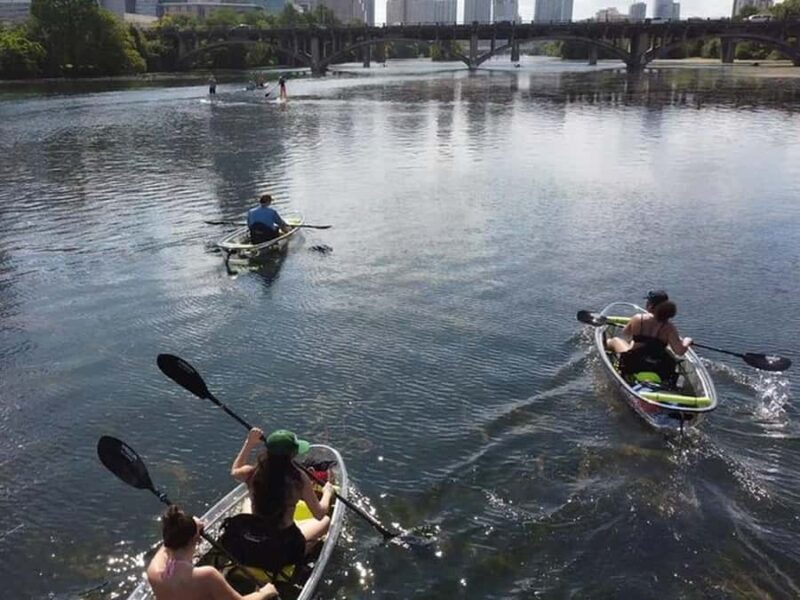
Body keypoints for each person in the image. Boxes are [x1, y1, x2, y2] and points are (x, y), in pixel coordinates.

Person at [230, 428, 334, 562]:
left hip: (255, 535)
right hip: (283, 545)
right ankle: (302, 555)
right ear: (292, 454)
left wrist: (249, 442)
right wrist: (327, 493)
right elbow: (319, 514)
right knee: (326, 521)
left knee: (247, 502)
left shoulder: (252, 472)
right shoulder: (299, 479)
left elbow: (234, 471)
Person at [146, 505, 278, 600]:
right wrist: (264, 593)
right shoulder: (206, 576)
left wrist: (189, 528)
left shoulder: (153, 570)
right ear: (196, 539)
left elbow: (167, 544)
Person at [605, 298, 693, 384]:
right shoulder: (670, 328)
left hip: (633, 363)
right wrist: (687, 341)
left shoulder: (638, 318)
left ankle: (606, 347)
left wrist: (635, 341)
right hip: (657, 366)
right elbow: (679, 351)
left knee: (615, 340)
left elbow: (625, 335)